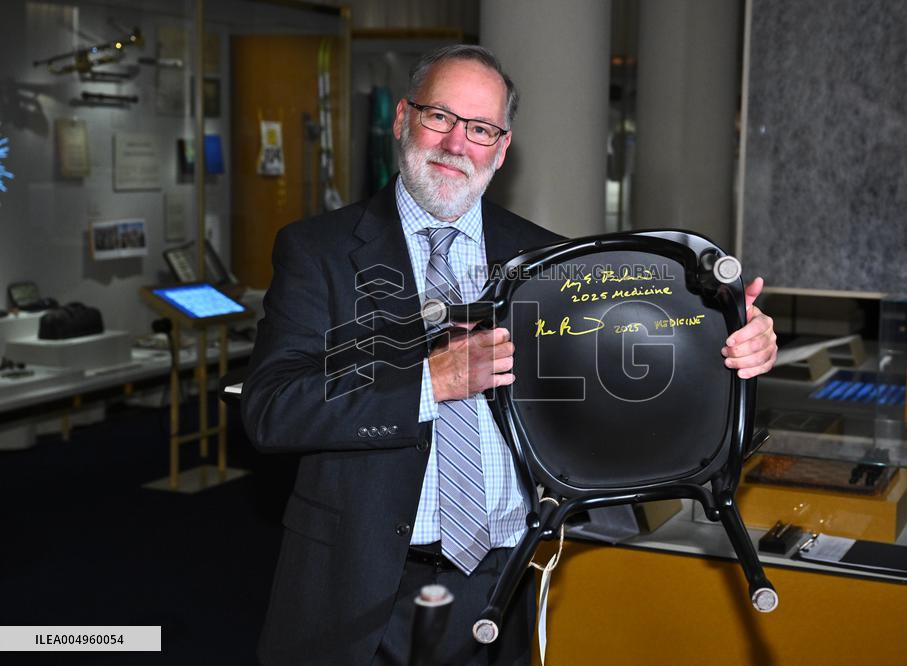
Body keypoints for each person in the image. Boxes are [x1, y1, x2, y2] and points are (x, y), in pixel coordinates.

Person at [241, 45, 777, 666]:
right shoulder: (319, 252)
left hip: (502, 587)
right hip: (359, 589)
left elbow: (631, 375)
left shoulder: (549, 260)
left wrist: (728, 344)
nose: (455, 143)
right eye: (438, 116)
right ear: (401, 119)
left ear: (501, 148)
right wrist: (428, 383)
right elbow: (270, 409)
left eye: (480, 128)